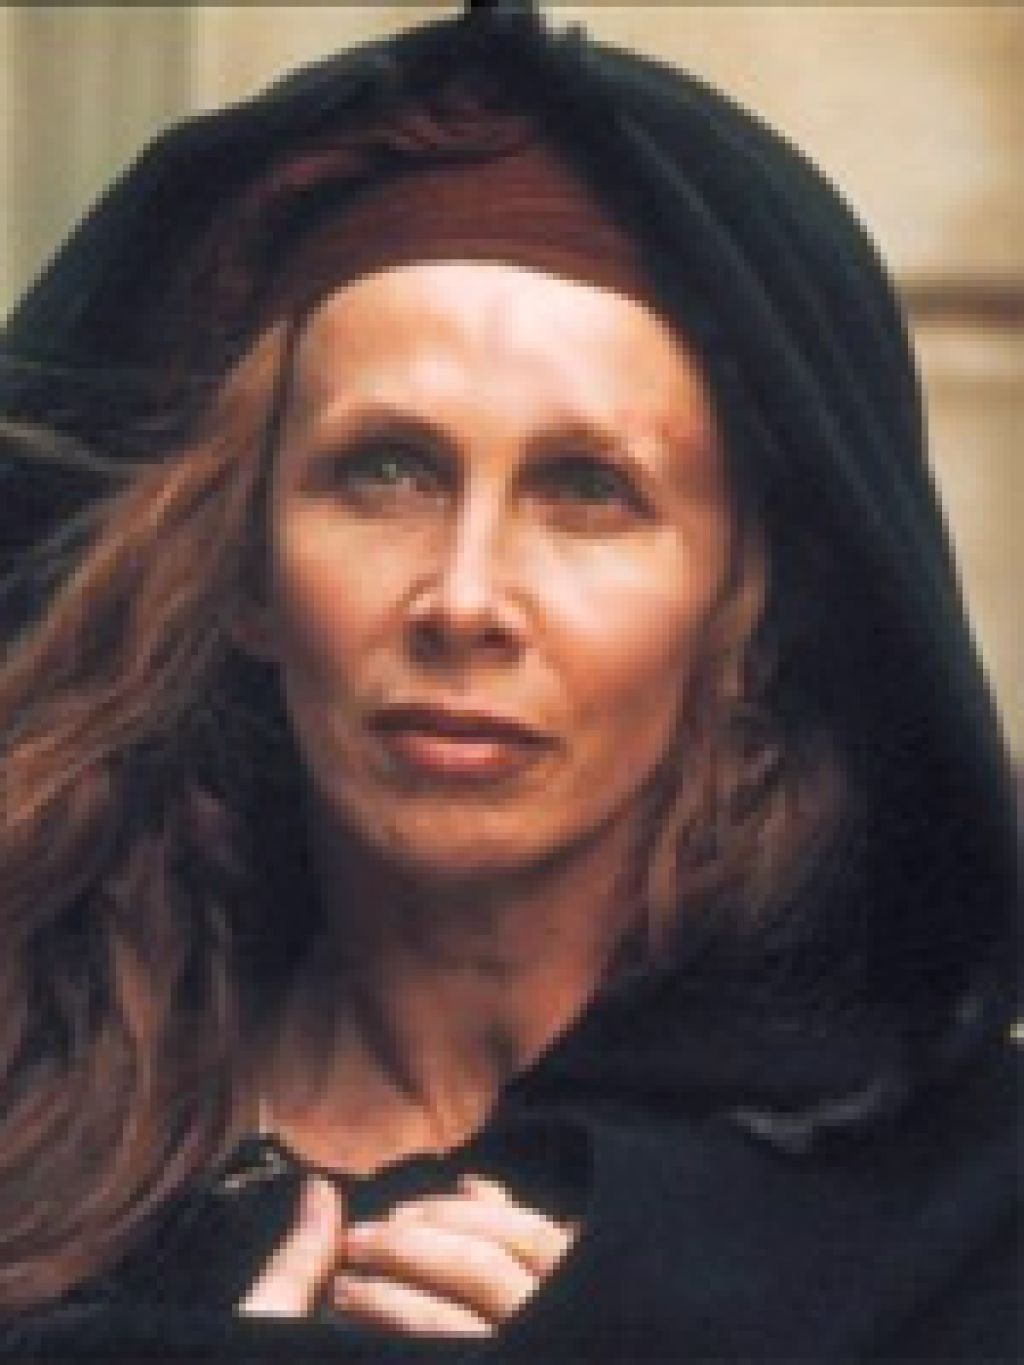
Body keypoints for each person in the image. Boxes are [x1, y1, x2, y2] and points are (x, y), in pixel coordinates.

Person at [0, 3, 1019, 1360]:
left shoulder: (956, 1220)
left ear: (750, 614)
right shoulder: (39, 1132)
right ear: (243, 572)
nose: (464, 597)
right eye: (386, 470)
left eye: (589, 490)